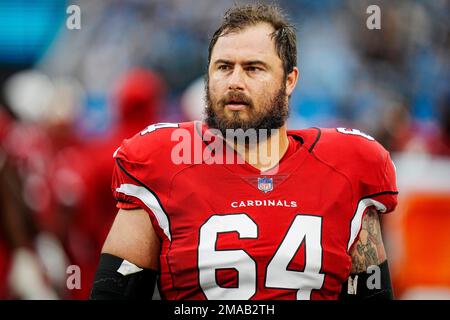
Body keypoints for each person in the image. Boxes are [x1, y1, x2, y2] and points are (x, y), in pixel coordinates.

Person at [90, 4, 398, 300]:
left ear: (289, 80)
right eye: (224, 67)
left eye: (253, 68)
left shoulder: (347, 165)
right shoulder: (161, 161)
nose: (235, 82)